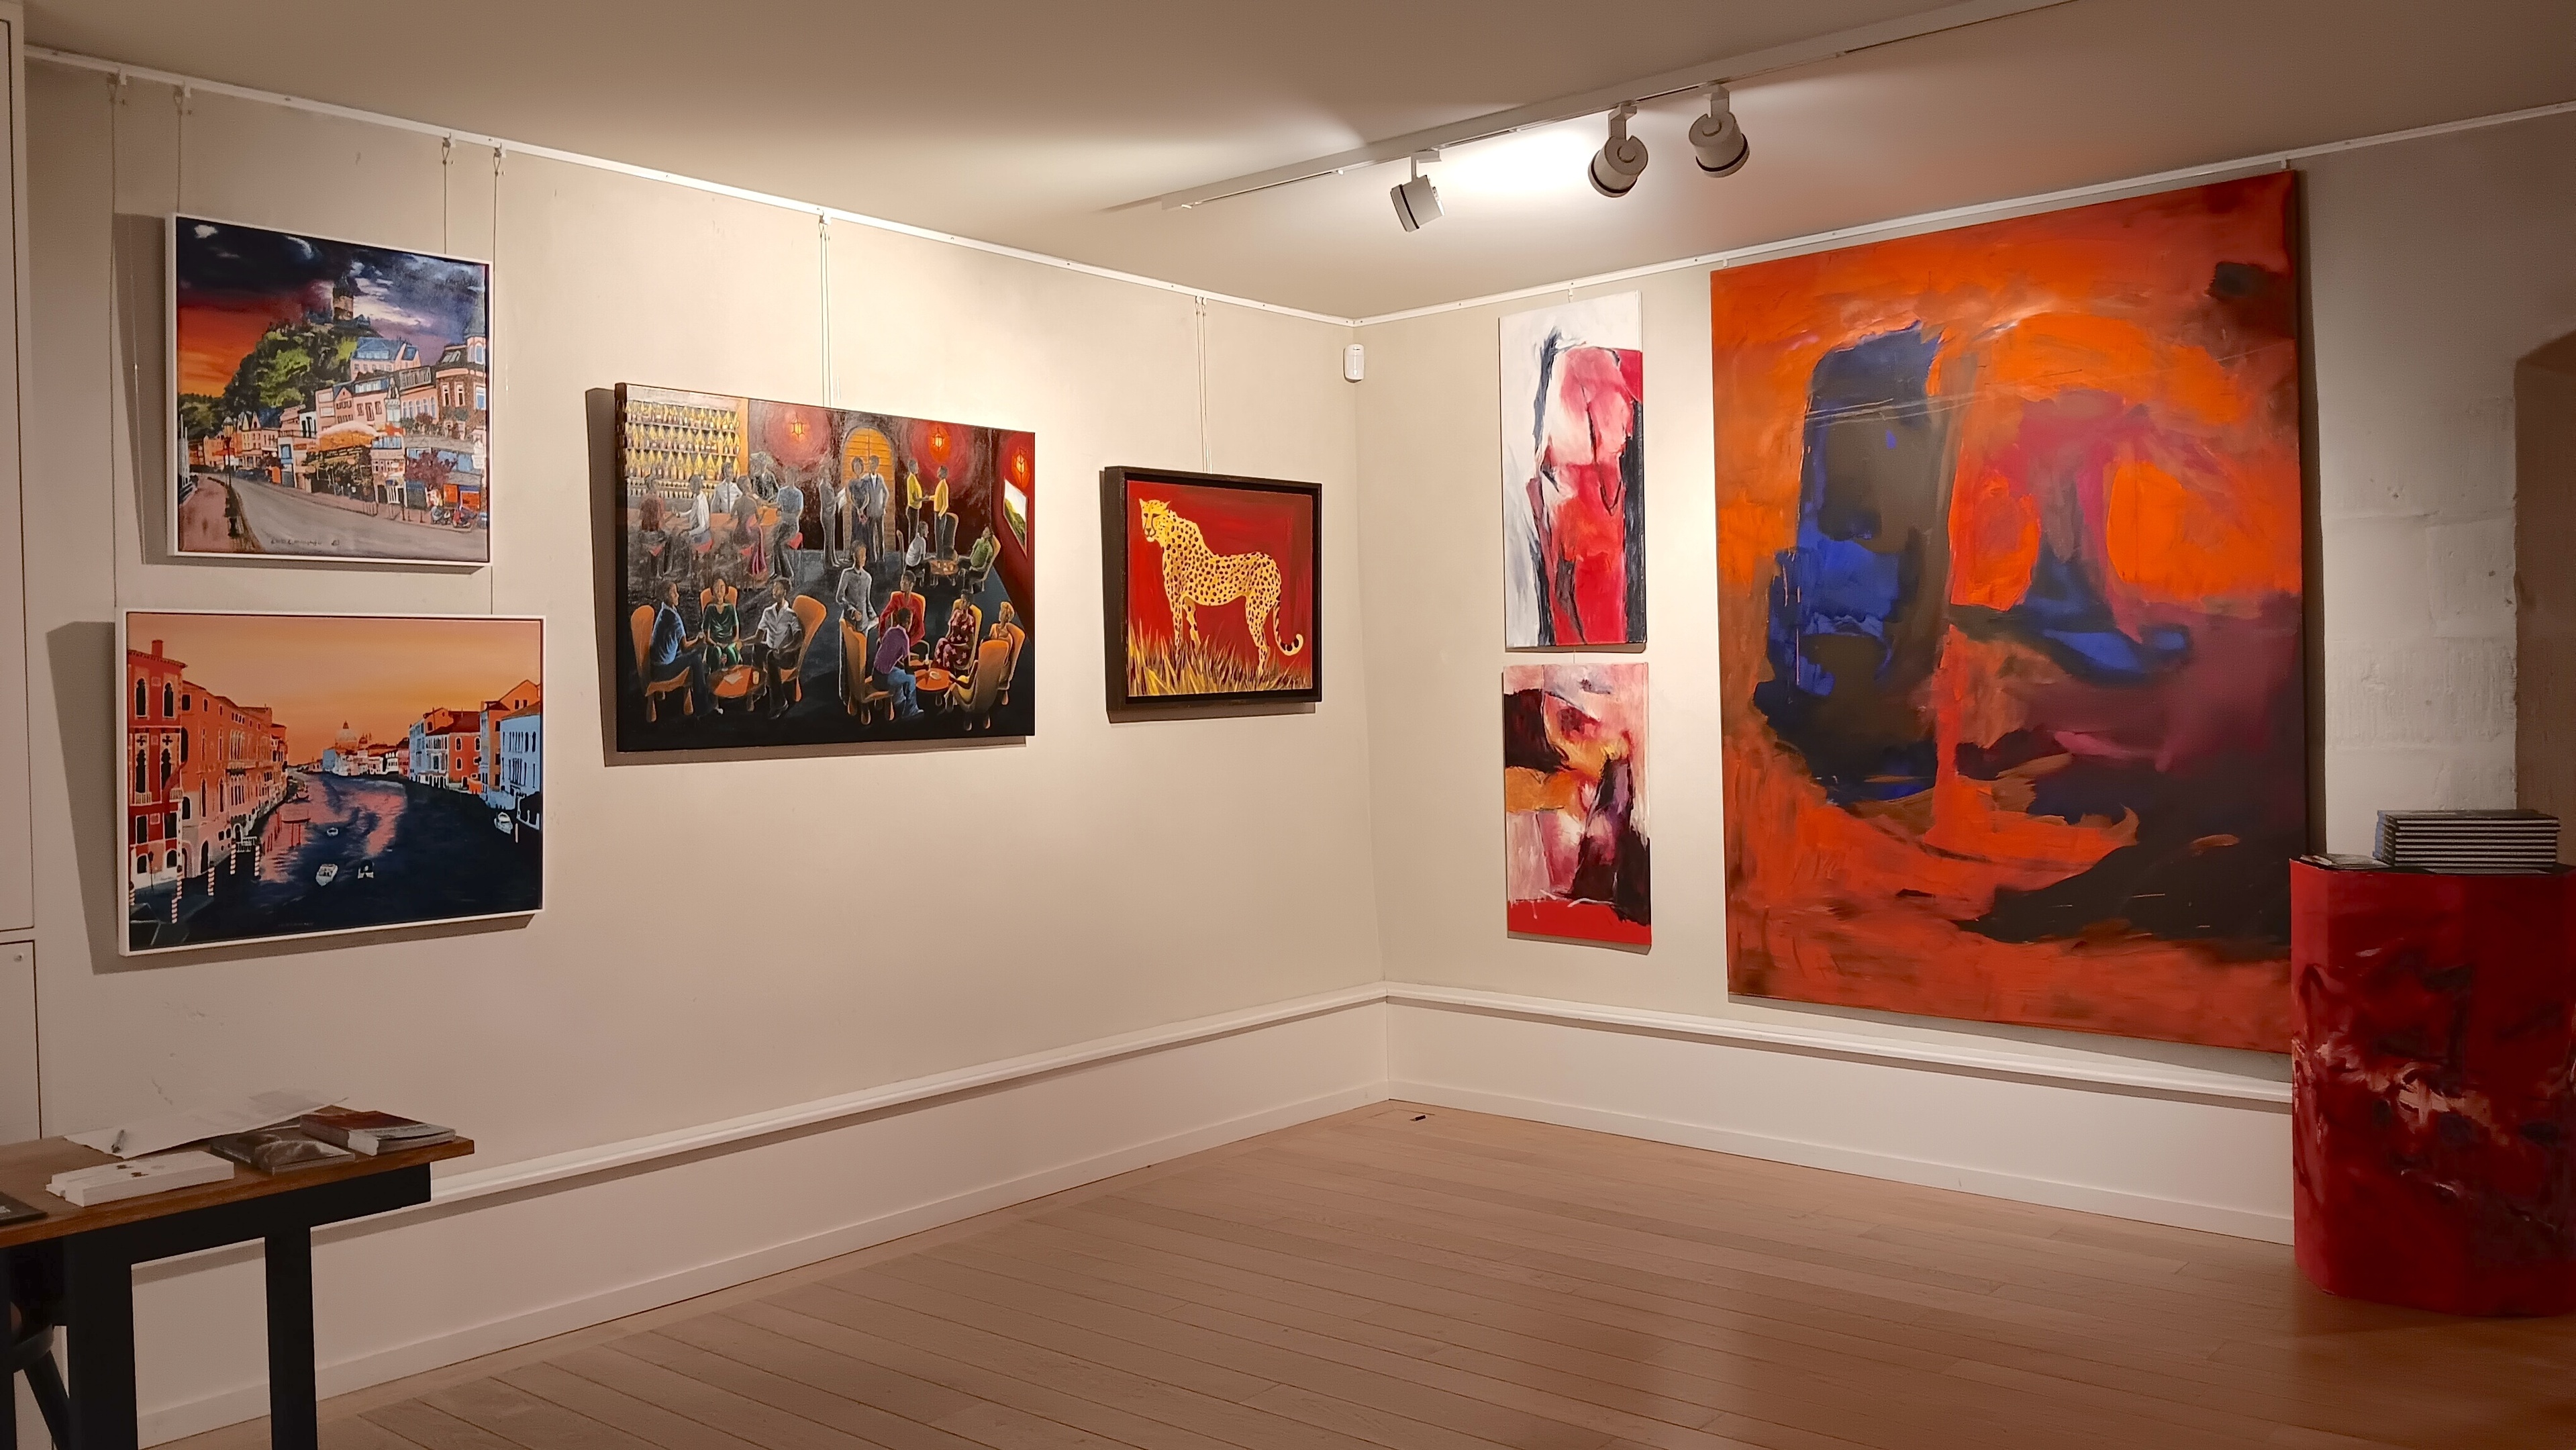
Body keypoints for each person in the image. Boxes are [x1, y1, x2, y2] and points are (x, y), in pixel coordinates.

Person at [751, 577, 805, 718]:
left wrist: (784, 650)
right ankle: (759, 689)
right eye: (774, 588)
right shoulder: (768, 612)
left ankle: (780, 703)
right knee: (758, 648)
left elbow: (799, 640)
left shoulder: (791, 615)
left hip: (788, 655)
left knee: (771, 657)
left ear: (785, 592)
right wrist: (742, 642)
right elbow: (758, 637)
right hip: (772, 649)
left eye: (778, 588)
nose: (774, 591)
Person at [874, 624, 920, 720]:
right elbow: (908, 669)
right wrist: (923, 666)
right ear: (908, 622)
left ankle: (899, 701)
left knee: (898, 672)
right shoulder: (904, 638)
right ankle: (911, 711)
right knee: (911, 678)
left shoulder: (890, 631)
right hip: (884, 680)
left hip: (875, 675)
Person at [701, 578, 744, 671]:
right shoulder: (709, 609)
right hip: (714, 644)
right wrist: (718, 645)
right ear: (713, 591)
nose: (719, 591)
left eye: (722, 587)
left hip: (730, 643)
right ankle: (715, 679)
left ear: (726, 590)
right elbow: (707, 638)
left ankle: (733, 677)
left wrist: (727, 646)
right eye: (716, 588)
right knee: (717, 652)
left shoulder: (731, 608)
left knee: (730, 652)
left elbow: (736, 636)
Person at [931, 594, 979, 674]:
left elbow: (970, 644)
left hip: (962, 652)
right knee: (941, 641)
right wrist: (945, 642)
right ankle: (935, 669)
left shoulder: (970, 621)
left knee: (947, 649)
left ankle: (947, 674)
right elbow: (950, 632)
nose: (961, 603)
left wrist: (954, 646)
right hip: (951, 645)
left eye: (964, 601)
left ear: (968, 604)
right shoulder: (956, 613)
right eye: (961, 600)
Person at [773, 473, 805, 581]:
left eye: (791, 477)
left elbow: (796, 515)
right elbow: (778, 507)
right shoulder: (782, 492)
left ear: (795, 478)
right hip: (783, 524)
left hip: (793, 526)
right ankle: (778, 572)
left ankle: (788, 574)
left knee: (780, 544)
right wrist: (777, 511)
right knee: (774, 543)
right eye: (787, 476)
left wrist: (783, 514)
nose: (788, 479)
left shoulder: (798, 494)